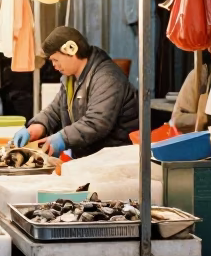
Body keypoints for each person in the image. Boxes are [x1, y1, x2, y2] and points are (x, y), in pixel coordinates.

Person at [12, 25, 138, 157]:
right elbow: (55, 110)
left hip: (115, 159)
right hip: (90, 158)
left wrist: (62, 138)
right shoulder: (70, 79)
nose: (54, 66)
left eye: (56, 60)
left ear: (72, 50)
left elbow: (97, 122)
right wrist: (36, 127)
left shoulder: (107, 77)